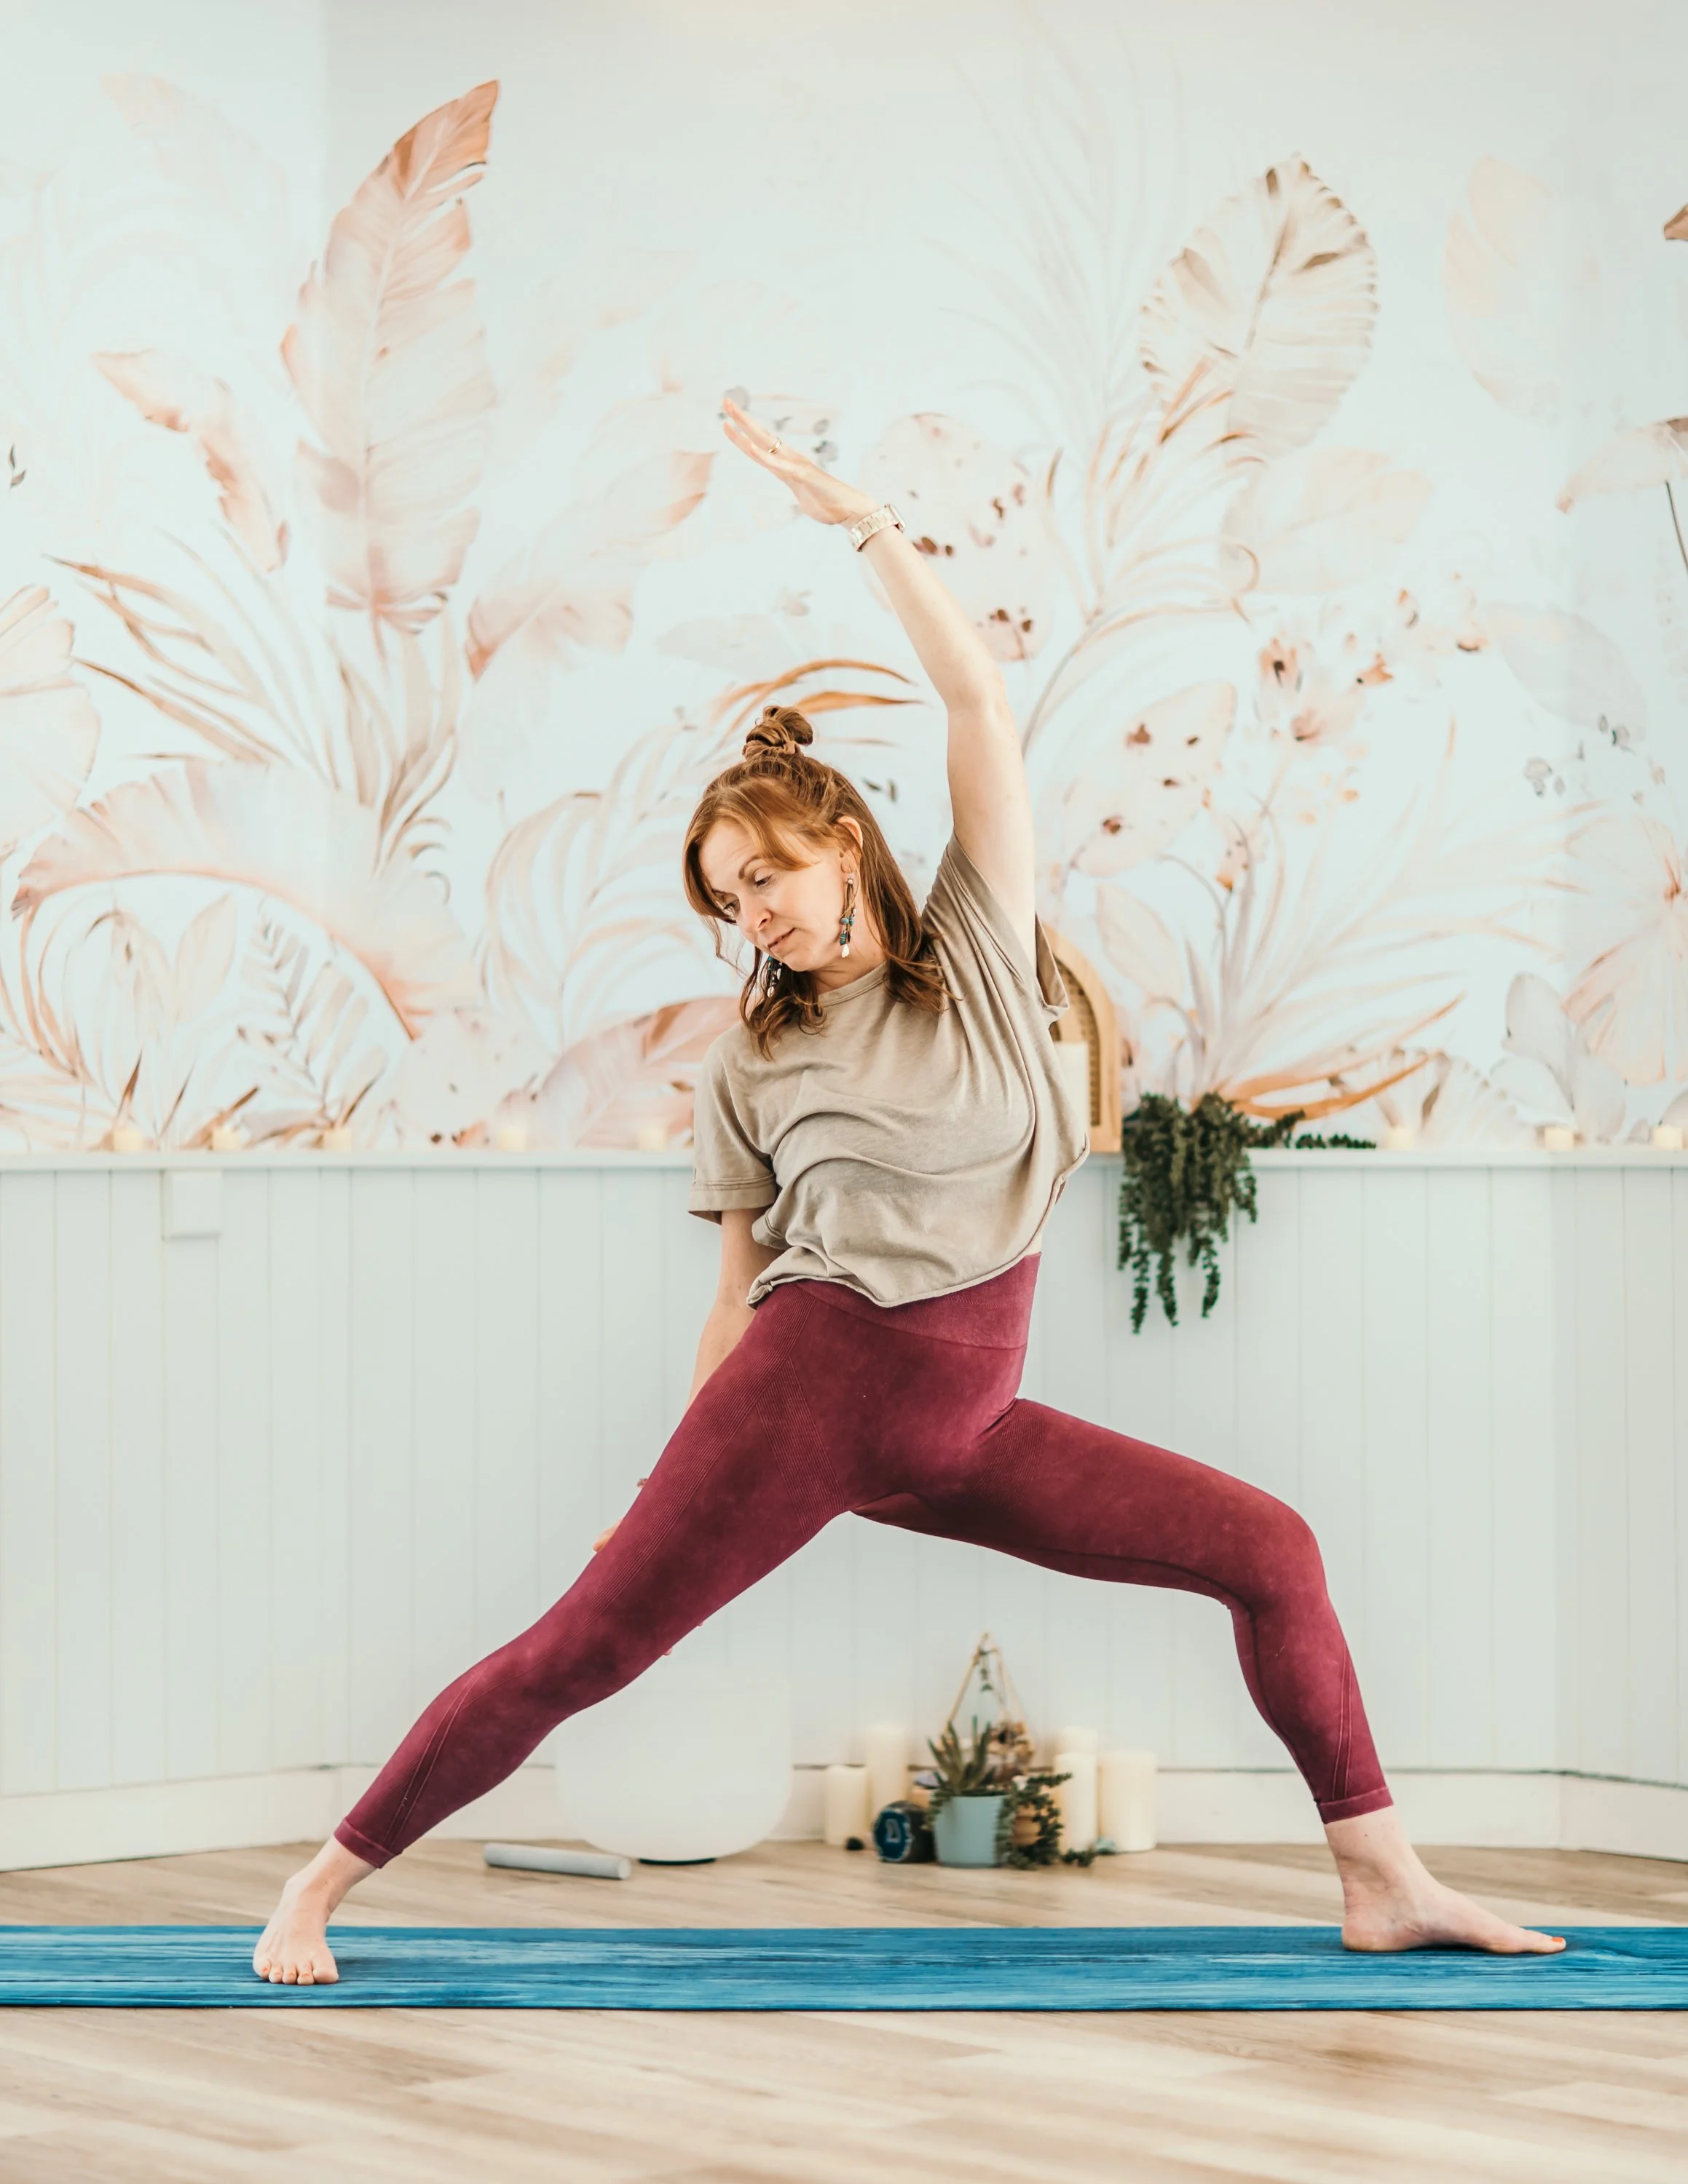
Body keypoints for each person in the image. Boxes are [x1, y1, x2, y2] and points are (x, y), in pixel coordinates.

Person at [253, 397, 1563, 1983]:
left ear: (840, 844)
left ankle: (1382, 1879)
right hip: (807, 1395)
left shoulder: (982, 959)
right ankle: (315, 1888)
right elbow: (734, 1293)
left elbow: (976, 702)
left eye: (766, 876)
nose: (754, 916)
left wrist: (864, 526)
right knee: (583, 1647)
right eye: (728, 902)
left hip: (967, 1422)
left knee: (1270, 1549)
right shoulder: (753, 1062)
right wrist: (671, 1476)